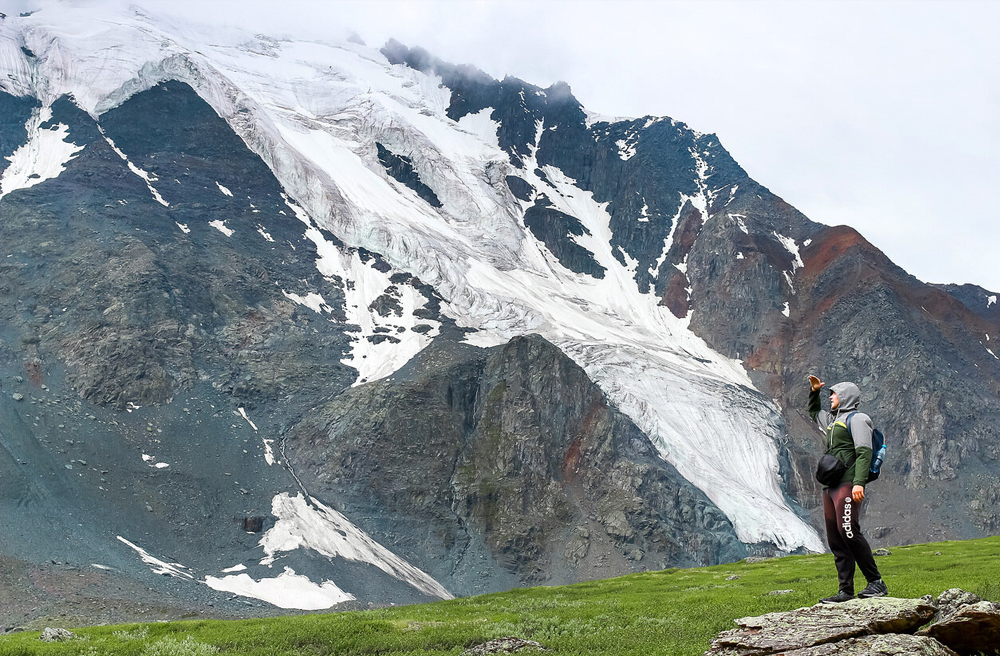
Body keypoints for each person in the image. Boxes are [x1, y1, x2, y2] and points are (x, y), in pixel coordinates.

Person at [808, 375, 888, 603]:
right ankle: (846, 591)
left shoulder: (858, 419)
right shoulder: (832, 422)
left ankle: (876, 582)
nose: (830, 397)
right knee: (835, 538)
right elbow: (814, 414)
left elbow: (864, 452)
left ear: (844, 397)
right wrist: (814, 392)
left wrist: (858, 483)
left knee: (848, 530)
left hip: (847, 483)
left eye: (833, 394)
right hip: (830, 485)